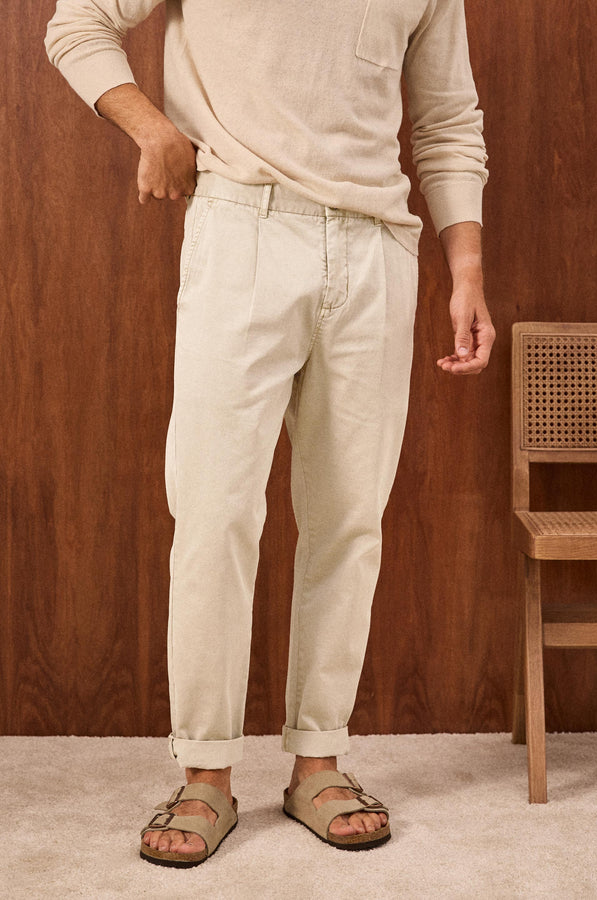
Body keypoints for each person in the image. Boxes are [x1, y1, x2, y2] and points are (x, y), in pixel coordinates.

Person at [45, 0, 495, 867]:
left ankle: (318, 761)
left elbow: (446, 119)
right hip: (242, 225)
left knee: (349, 520)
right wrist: (151, 127)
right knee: (213, 512)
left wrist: (465, 269)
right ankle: (205, 774)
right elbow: (78, 21)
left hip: (377, 248)